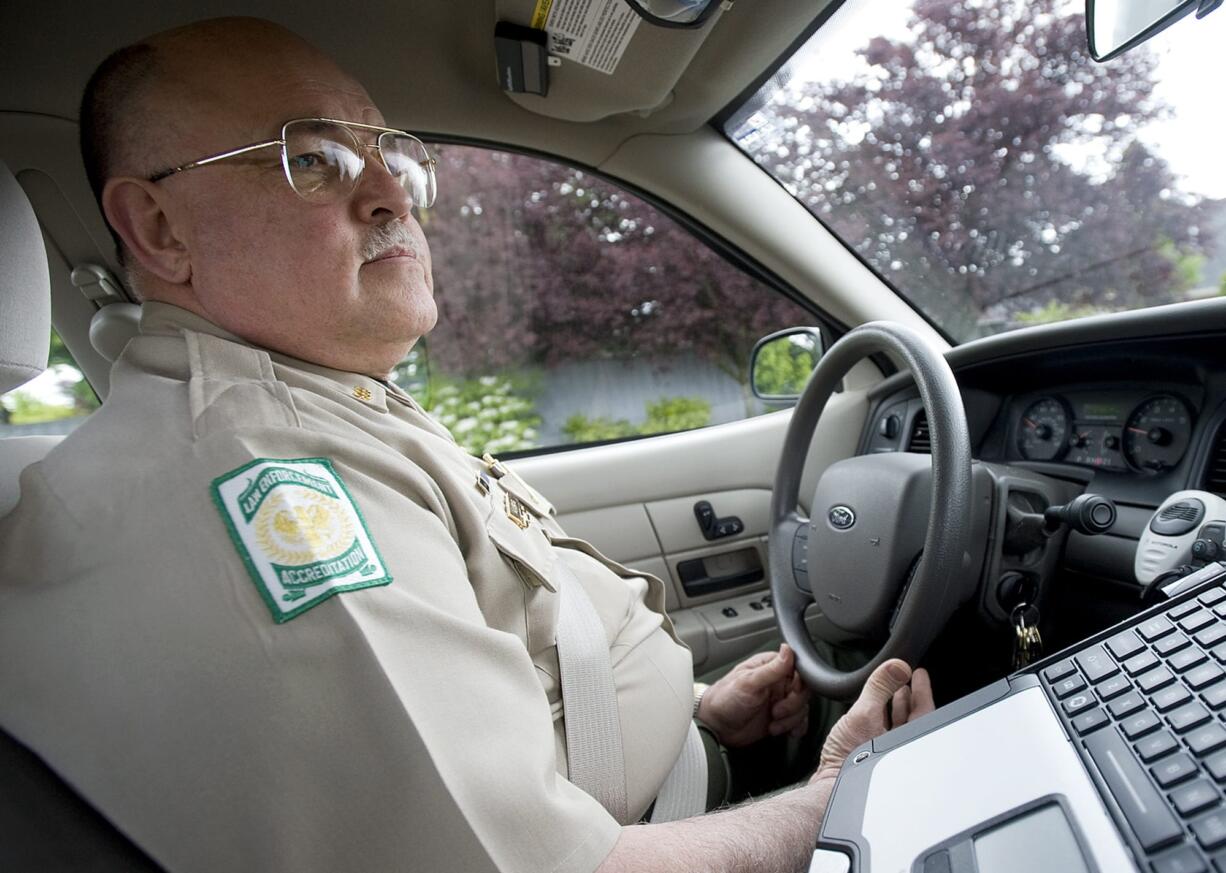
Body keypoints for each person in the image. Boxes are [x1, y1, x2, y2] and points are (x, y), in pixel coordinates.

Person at [0, 17, 933, 873]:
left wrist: (696, 719)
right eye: (314, 159)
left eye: (388, 156)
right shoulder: (261, 476)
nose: (389, 196)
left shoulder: (318, 402)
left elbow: (491, 673)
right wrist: (837, 798)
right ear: (160, 229)